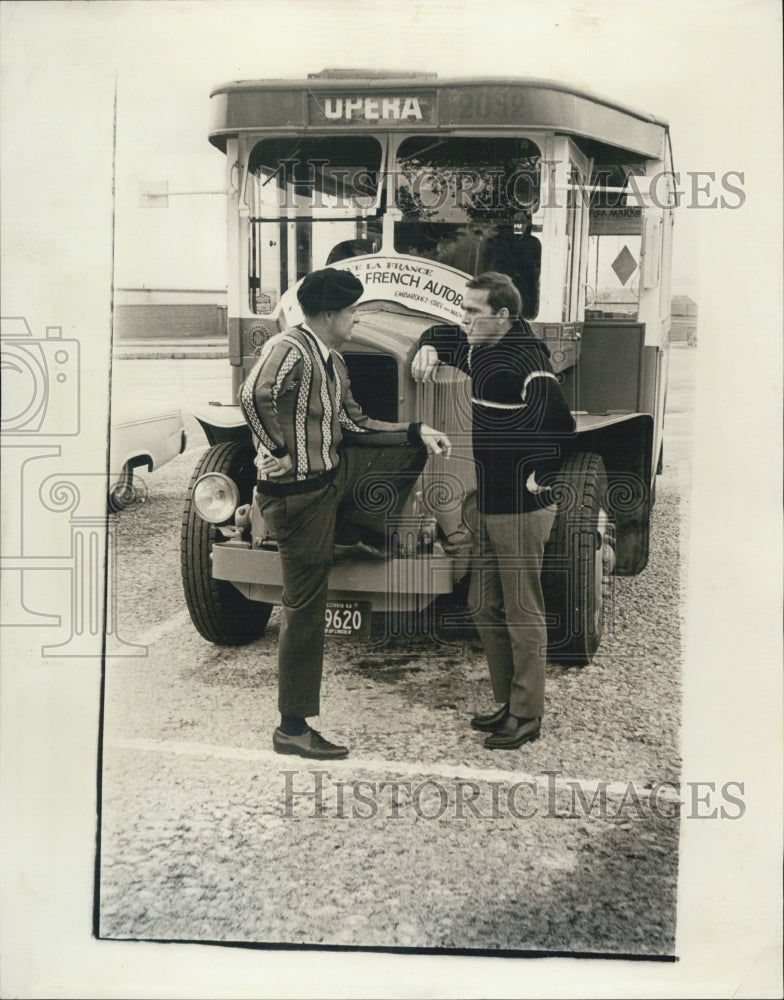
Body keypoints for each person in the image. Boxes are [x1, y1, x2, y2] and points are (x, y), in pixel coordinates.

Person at [239, 267, 452, 761]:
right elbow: (253, 396)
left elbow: (354, 424)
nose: (358, 318)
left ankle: (356, 530)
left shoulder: (331, 361)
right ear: (330, 314)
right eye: (353, 310)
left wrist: (416, 429)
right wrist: (278, 449)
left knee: (411, 445)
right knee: (305, 610)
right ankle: (292, 728)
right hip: (298, 497)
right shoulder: (289, 347)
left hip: (327, 484)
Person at [412, 272, 574, 749]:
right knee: (484, 604)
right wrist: (428, 343)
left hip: (521, 507)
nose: (463, 320)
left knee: (522, 610)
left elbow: (562, 428)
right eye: (463, 310)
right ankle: (508, 703)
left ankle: (527, 717)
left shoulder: (524, 359)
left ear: (502, 316)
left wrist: (537, 478)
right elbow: (444, 333)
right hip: (488, 501)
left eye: (473, 313)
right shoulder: (481, 344)